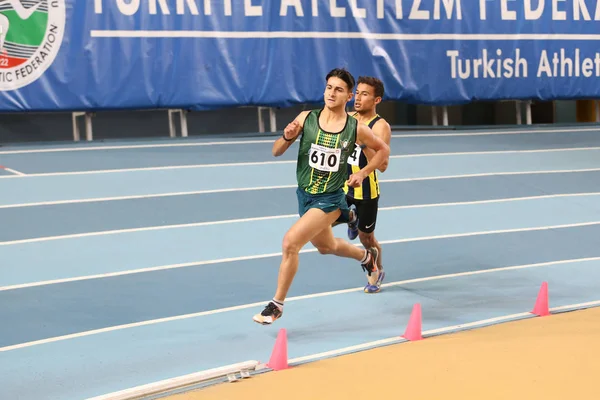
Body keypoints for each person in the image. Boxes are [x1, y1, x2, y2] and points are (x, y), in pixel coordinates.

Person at [252, 68, 390, 325]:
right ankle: (366, 257)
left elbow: (383, 151)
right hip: (305, 196)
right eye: (329, 87)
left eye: (338, 89)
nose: (331, 93)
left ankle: (276, 305)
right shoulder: (307, 118)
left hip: (330, 199)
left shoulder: (355, 128)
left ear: (348, 96)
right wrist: (286, 137)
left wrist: (363, 172)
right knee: (327, 247)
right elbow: (276, 151)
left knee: (290, 243)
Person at [344, 76, 392, 294]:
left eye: (365, 94)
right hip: (343, 185)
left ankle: (377, 270)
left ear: (376, 100)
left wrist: (362, 142)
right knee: (322, 217)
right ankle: (350, 218)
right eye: (357, 93)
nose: (358, 98)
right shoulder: (348, 117)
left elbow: (383, 165)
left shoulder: (380, 126)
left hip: (366, 191)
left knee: (367, 238)